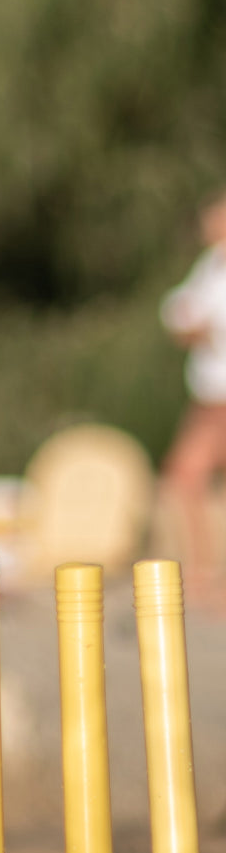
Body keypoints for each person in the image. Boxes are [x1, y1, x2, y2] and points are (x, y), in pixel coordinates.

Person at [159, 192, 226, 607]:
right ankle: (203, 568)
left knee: (186, 474)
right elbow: (178, 313)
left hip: (220, 395)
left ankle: (205, 572)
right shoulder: (211, 266)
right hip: (210, 393)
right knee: (186, 478)